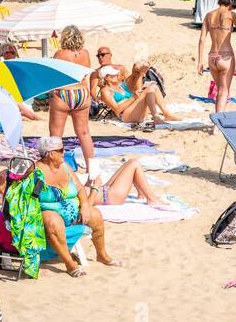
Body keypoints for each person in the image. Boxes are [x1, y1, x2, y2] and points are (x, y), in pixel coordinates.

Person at [35, 137, 117, 272]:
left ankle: (102, 255)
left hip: (73, 212)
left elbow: (79, 188)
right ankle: (70, 264)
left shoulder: (65, 166)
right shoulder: (37, 172)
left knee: (95, 215)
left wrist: (84, 205)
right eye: (61, 150)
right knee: (53, 221)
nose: (64, 153)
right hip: (49, 214)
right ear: (50, 153)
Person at [49, 26, 95, 172]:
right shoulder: (86, 53)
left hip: (65, 93)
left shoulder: (60, 54)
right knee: (84, 133)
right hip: (82, 92)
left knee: (56, 135)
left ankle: (56, 169)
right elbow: (85, 74)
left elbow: (54, 78)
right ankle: (91, 170)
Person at [95, 57, 179, 125]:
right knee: (150, 88)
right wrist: (132, 98)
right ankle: (156, 118)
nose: (116, 75)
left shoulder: (120, 86)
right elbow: (117, 110)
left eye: (115, 73)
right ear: (106, 77)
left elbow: (134, 75)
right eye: (113, 74)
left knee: (153, 86)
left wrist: (140, 71)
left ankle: (167, 114)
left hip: (135, 111)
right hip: (125, 115)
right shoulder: (105, 91)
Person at [199, 0, 236, 113]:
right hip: (225, 56)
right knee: (224, 91)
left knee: (220, 90)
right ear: (232, 3)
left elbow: (201, 39)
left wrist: (199, 62)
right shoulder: (231, 15)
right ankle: (217, 125)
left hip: (212, 57)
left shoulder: (209, 15)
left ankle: (217, 118)